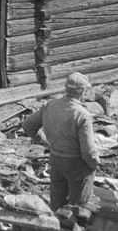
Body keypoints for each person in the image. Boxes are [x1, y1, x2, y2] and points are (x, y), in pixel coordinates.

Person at [22, 72, 98, 211]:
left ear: (65, 88)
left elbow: (28, 125)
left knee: (56, 205)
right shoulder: (82, 114)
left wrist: (44, 142)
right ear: (82, 91)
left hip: (56, 160)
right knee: (77, 209)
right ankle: (73, 229)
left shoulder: (50, 105)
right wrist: (94, 163)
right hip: (76, 164)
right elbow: (88, 151)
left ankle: (53, 229)